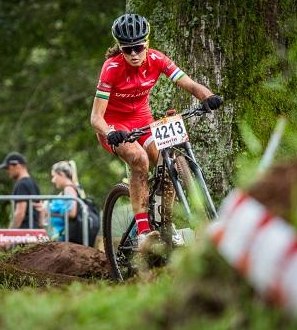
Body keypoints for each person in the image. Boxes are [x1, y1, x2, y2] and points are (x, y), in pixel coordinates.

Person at [90, 13, 223, 250]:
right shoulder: (111, 68)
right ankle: (143, 233)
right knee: (139, 160)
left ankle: (165, 223)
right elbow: (95, 118)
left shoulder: (156, 59)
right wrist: (110, 132)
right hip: (114, 127)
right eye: (127, 49)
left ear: (147, 43)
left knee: (166, 161)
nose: (133, 54)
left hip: (143, 122)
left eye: (138, 47)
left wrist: (208, 97)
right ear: (120, 48)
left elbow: (190, 84)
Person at [43, 161, 85, 245]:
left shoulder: (69, 189)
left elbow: (72, 212)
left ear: (61, 174)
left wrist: (51, 213)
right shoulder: (71, 188)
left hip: (68, 237)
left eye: (54, 176)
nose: (53, 180)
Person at [0, 152, 41, 229]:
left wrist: (9, 233)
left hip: (23, 232)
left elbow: (20, 213)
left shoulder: (22, 184)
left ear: (17, 165)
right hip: (34, 230)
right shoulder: (33, 183)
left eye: (8, 168)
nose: (8, 171)